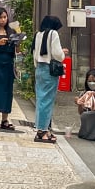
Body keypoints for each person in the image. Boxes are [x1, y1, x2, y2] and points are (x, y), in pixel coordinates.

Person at [33, 14, 68, 144]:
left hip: (39, 69)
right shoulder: (53, 34)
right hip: (49, 69)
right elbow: (58, 54)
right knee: (47, 101)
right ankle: (42, 131)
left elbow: (35, 52)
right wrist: (63, 53)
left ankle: (44, 129)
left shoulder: (38, 34)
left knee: (41, 99)